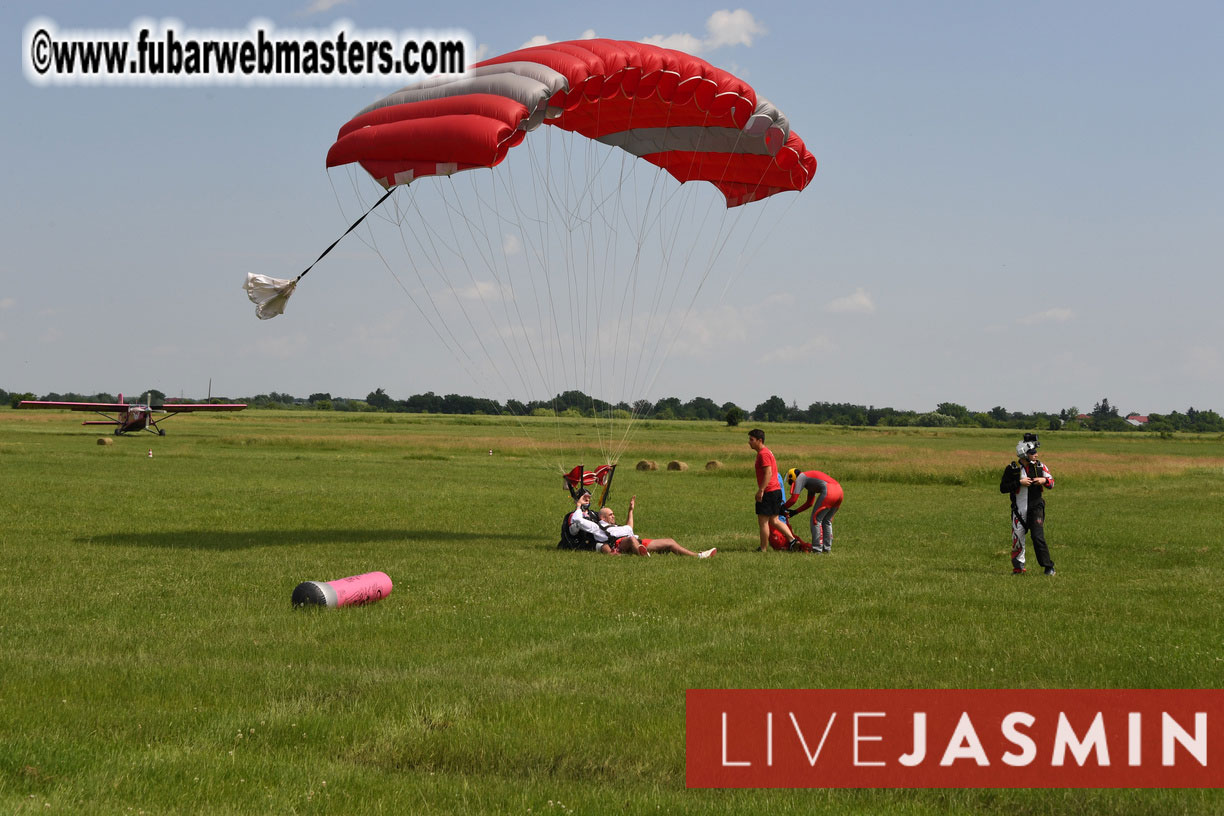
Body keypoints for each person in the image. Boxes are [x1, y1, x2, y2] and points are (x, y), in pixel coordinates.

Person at [563, 491, 715, 558]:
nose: (614, 516)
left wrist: (630, 511)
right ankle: (644, 558)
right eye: (611, 514)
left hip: (635, 541)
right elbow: (577, 520)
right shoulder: (596, 526)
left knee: (669, 542)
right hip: (620, 544)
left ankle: (697, 556)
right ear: (602, 517)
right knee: (630, 540)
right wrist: (578, 505)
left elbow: (630, 528)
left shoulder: (617, 527)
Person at [1000, 433, 1056, 575]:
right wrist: (1019, 483)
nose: (1036, 455)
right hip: (1018, 510)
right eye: (1032, 453)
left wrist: (1043, 481)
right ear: (1024, 453)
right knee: (1017, 539)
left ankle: (1048, 567)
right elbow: (1003, 488)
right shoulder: (1012, 469)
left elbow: (1052, 482)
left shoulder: (1040, 467)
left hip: (1036, 507)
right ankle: (1019, 568)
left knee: (1038, 537)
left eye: (1036, 452)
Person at [748, 429, 801, 552]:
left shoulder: (763, 454)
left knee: (763, 521)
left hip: (769, 491)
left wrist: (761, 490)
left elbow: (768, 473)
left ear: (759, 440)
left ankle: (763, 549)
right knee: (774, 520)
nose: (749, 442)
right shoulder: (766, 452)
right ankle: (792, 541)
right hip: (776, 490)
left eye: (751, 439)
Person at [783, 468, 843, 553]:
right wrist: (795, 512)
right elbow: (809, 503)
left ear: (792, 476)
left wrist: (782, 507)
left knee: (815, 520)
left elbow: (793, 499)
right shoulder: (810, 483)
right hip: (839, 491)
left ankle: (817, 549)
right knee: (826, 521)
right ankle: (826, 549)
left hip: (830, 491)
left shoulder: (801, 477)